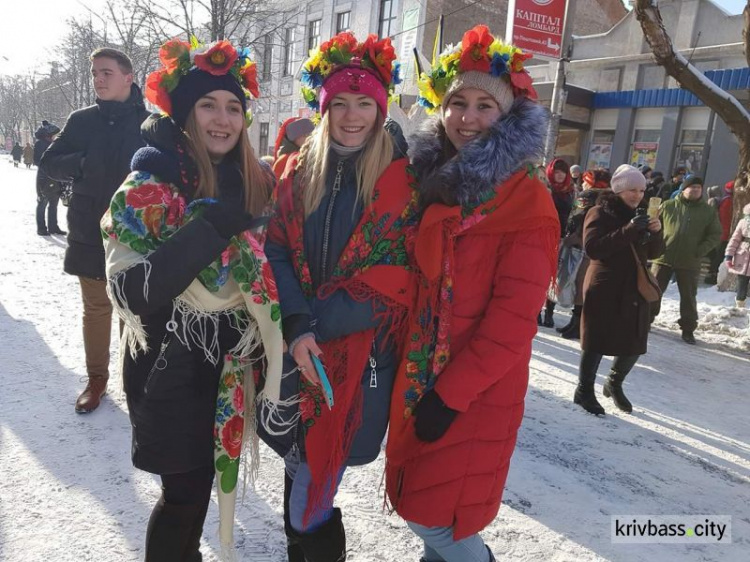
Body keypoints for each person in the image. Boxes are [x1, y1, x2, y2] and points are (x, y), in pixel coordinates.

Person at [101, 38, 284, 560]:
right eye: (208, 105)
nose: (223, 119)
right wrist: (209, 228)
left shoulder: (250, 184)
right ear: (183, 113)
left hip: (227, 369)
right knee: (182, 498)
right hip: (166, 367)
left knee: (198, 491)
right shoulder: (146, 187)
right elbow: (133, 293)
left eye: (233, 107)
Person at [385, 26, 559, 562]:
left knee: (435, 517)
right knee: (434, 508)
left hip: (472, 391)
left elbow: (511, 325)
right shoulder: (433, 183)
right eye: (457, 102)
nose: (467, 117)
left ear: (507, 118)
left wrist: (449, 396)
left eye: (485, 105)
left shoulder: (526, 203)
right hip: (422, 373)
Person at [262, 32, 415, 562]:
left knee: (320, 465)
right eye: (341, 103)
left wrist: (317, 326)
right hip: (296, 337)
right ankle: (305, 544)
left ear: (381, 106)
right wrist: (298, 324)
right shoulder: (298, 171)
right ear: (324, 108)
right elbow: (276, 250)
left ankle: (313, 545)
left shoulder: (403, 182)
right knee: (297, 456)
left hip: (362, 351)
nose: (352, 116)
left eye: (365, 103)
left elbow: (398, 276)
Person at [40, 47, 150, 413]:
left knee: (134, 309)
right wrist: (83, 162)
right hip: (89, 229)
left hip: (136, 234)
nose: (98, 80)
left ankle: (135, 381)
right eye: (94, 74)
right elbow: (51, 163)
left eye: (106, 72)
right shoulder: (81, 120)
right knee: (97, 308)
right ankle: (96, 379)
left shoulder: (150, 125)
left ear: (128, 77)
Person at [573, 165, 664, 415]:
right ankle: (584, 390)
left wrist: (656, 233)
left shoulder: (643, 213)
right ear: (619, 190)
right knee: (597, 339)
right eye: (632, 190)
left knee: (634, 338)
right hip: (606, 284)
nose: (637, 195)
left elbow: (654, 253)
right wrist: (630, 229)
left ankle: (614, 382)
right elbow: (594, 249)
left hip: (634, 285)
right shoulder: (599, 212)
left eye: (642, 190)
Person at [651, 176, 721, 344]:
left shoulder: (708, 211)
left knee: (689, 297)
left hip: (690, 261)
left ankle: (688, 329)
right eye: (692, 187)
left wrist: (700, 251)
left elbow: (715, 234)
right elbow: (654, 227)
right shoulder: (667, 206)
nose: (695, 190)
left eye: (698, 187)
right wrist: (655, 246)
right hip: (663, 257)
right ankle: (645, 320)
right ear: (683, 189)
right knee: (652, 291)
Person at [556, 188, 600, 339]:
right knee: (578, 289)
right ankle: (574, 323)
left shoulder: (593, 211)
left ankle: (578, 326)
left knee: (582, 291)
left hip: (585, 254)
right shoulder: (586, 206)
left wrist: (571, 240)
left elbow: (584, 232)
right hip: (580, 252)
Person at [539, 157, 574, 328]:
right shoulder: (544, 188)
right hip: (543, 236)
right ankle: (537, 310)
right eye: (557, 172)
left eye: (563, 172)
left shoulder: (571, 191)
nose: (560, 175)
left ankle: (549, 312)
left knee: (555, 276)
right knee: (541, 274)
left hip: (562, 238)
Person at [33, 120, 65, 236]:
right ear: (47, 134)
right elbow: (37, 160)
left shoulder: (51, 143)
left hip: (54, 177)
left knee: (53, 203)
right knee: (42, 203)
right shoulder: (40, 144)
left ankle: (53, 227)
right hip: (44, 178)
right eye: (53, 134)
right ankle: (41, 228)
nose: (54, 136)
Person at [705, 180, 734, 284]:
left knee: (718, 254)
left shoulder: (724, 200)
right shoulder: (727, 201)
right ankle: (713, 275)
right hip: (724, 233)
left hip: (722, 232)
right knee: (719, 255)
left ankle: (712, 274)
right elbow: (725, 219)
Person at [725, 203, 750, 308]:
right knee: (742, 282)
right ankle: (740, 304)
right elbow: (734, 240)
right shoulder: (743, 222)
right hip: (743, 256)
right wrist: (729, 256)